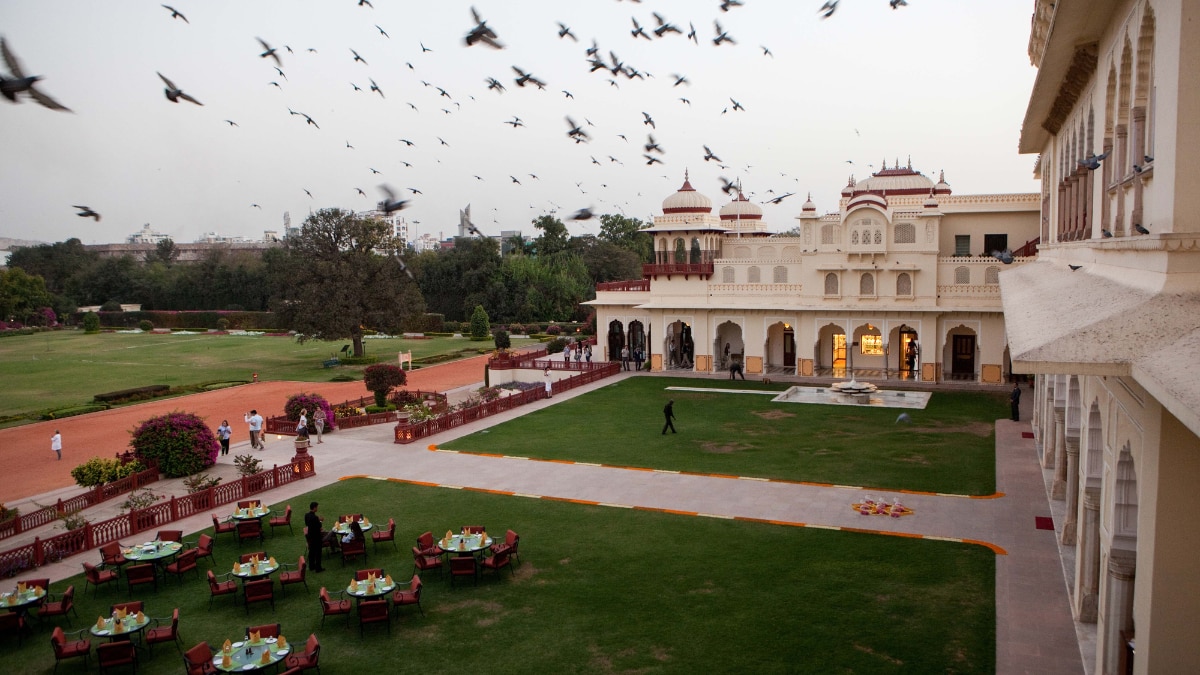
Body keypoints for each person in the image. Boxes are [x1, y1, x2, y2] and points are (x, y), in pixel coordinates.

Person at [304, 502, 326, 572]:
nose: (317, 508)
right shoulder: (315, 517)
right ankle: (318, 568)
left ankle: (311, 566)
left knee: (312, 551)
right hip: (316, 537)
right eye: (316, 507)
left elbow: (307, 524)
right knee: (318, 552)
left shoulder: (306, 515)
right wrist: (320, 520)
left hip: (310, 536)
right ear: (314, 508)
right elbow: (319, 526)